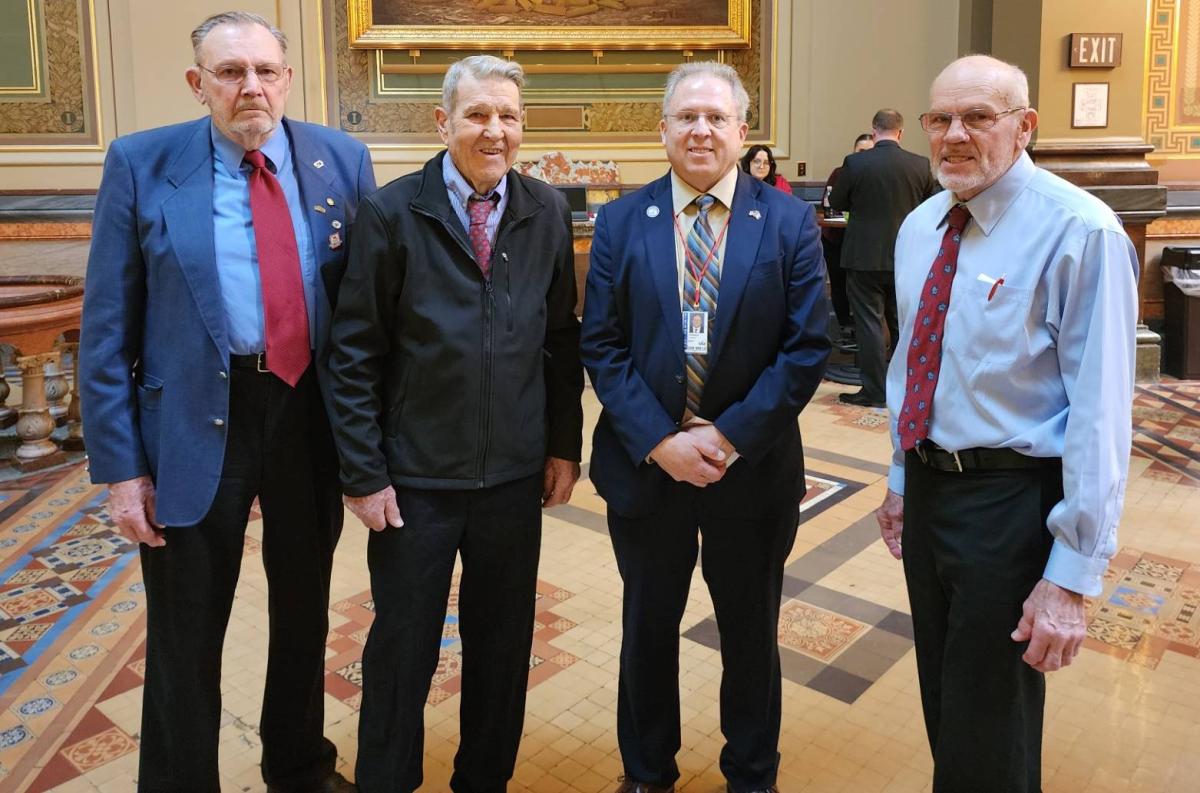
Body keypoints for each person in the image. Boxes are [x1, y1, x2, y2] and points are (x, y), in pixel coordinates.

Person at [78, 11, 375, 793]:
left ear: (286, 77)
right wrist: (119, 470)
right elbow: (106, 330)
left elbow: (369, 316)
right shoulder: (142, 163)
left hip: (307, 413)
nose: (251, 86)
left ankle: (299, 764)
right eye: (230, 71)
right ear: (197, 83)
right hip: (190, 421)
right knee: (186, 623)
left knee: (305, 606)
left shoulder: (343, 160)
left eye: (266, 70)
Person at [875, 55, 1138, 793]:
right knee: (948, 700)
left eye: (978, 118)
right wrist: (900, 478)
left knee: (992, 723)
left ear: (1023, 128)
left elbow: (1099, 416)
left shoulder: (1080, 232)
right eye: (940, 120)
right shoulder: (923, 225)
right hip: (931, 493)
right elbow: (910, 367)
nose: (955, 135)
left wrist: (1072, 576)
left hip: (1011, 504)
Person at [327, 55, 584, 793]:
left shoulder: (545, 211)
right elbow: (354, 352)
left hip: (512, 478)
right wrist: (364, 471)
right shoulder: (391, 210)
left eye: (508, 115)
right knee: (401, 649)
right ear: (443, 123)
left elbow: (560, 343)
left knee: (502, 651)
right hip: (415, 482)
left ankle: (483, 781)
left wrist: (563, 445)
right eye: (477, 114)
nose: (494, 130)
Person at [581, 61, 830, 793]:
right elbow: (602, 343)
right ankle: (647, 771)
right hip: (646, 469)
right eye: (686, 116)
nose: (700, 129)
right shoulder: (624, 219)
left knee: (751, 636)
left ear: (741, 130)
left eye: (716, 118)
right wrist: (662, 442)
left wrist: (722, 439)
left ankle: (752, 773)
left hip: (749, 472)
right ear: (662, 129)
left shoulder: (786, 220)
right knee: (647, 631)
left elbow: (806, 346)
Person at [830, 108, 938, 407]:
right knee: (902, 322)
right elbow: (932, 206)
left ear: (874, 131)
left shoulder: (855, 163)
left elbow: (837, 201)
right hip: (906, 256)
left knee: (869, 325)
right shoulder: (919, 165)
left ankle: (874, 390)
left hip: (863, 256)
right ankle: (907, 387)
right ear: (900, 132)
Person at [821, 132, 875, 344]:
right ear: (853, 152)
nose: (864, 156)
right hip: (837, 237)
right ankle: (844, 326)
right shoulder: (841, 172)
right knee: (839, 283)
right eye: (861, 151)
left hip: (865, 242)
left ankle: (863, 329)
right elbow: (829, 201)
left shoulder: (877, 175)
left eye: (869, 152)